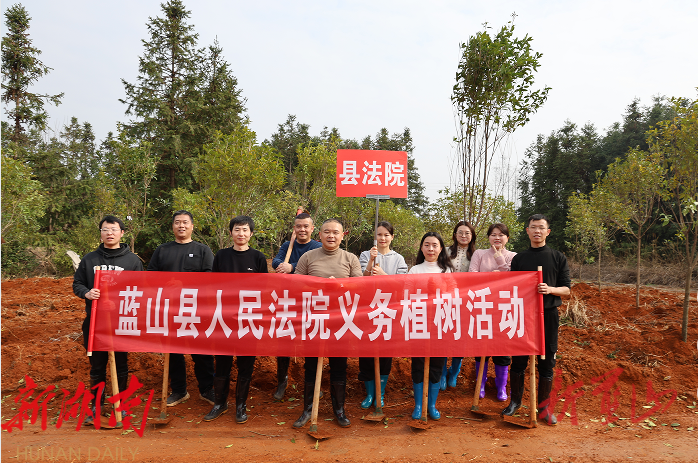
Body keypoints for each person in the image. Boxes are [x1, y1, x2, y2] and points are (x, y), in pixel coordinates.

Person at [73, 215, 143, 426]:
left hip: (121, 322)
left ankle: (120, 405)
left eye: (113, 229)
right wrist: (87, 293)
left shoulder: (133, 261)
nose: (109, 233)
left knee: (121, 365)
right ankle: (96, 406)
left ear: (122, 233)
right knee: (97, 366)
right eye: (105, 229)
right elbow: (77, 284)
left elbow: (141, 289)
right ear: (101, 233)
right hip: (95, 322)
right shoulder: (89, 260)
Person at [292, 219, 363, 429]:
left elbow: (359, 286)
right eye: (327, 232)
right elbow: (296, 284)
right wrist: (320, 287)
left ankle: (339, 410)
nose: (331, 236)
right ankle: (307, 409)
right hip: (314, 320)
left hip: (341, 321)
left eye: (335, 232)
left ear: (343, 235)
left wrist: (339, 285)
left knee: (339, 365)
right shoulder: (307, 257)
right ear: (319, 235)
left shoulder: (350, 258)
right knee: (311, 365)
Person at [502, 214, 570, 426]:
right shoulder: (519, 259)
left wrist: (550, 289)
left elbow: (567, 290)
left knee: (546, 362)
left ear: (547, 232)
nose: (537, 231)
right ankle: (515, 402)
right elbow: (512, 287)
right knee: (518, 360)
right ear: (527, 231)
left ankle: (544, 408)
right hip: (523, 315)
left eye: (541, 227)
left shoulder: (558, 257)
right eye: (533, 227)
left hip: (548, 316)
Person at [203, 216, 268, 424]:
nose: (241, 233)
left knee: (245, 365)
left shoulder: (258, 257)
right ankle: (220, 403)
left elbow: (264, 289)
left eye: (245, 230)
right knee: (222, 363)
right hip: (225, 319)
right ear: (230, 232)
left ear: (251, 233)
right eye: (237, 229)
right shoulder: (221, 256)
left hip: (249, 320)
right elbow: (213, 285)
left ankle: (241, 405)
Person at [148, 210, 215, 407]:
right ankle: (179, 391)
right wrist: (166, 285)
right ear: (173, 226)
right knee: (173, 352)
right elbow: (150, 276)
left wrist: (183, 284)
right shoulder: (162, 250)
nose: (181, 226)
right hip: (169, 310)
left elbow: (211, 278)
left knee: (201, 352)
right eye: (177, 222)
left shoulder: (203, 250)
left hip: (196, 310)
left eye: (185, 222)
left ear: (192, 226)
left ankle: (207, 389)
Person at [270, 212, 321, 400]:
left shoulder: (317, 246)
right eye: (298, 226)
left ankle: (313, 383)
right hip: (288, 299)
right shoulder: (287, 245)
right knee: (284, 341)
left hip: (310, 300)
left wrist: (292, 267)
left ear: (312, 228)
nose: (302, 229)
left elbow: (314, 264)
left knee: (311, 342)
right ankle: (282, 381)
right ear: (294, 229)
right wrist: (282, 265)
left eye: (306, 226)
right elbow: (276, 261)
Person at [357, 221, 407, 409]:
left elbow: (403, 284)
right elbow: (362, 278)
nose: (383, 238)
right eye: (379, 235)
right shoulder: (366, 254)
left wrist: (384, 275)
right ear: (375, 237)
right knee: (366, 351)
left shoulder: (399, 259)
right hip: (368, 309)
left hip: (389, 310)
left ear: (392, 237)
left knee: (385, 353)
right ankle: (370, 394)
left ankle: (381, 394)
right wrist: (371, 261)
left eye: (386, 235)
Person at [407, 232, 453, 420]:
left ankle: (431, 405)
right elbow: (407, 295)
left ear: (441, 248)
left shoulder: (447, 271)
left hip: (440, 323)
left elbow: (454, 296)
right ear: (421, 247)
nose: (431, 249)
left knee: (437, 363)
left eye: (435, 245)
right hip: (418, 322)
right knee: (418, 363)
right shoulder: (414, 270)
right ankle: (418, 405)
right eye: (427, 245)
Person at [468, 223, 516, 401]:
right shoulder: (479, 254)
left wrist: (500, 260)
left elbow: (511, 279)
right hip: (482, 306)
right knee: (481, 347)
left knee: (502, 348)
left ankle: (501, 386)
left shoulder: (513, 256)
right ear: (488, 237)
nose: (497, 238)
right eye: (493, 234)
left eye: (501, 235)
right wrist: (493, 276)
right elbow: (472, 276)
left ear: (507, 238)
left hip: (503, 308)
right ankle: (480, 383)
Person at [440, 221, 477, 390]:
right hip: (446, 300)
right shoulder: (445, 252)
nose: (463, 236)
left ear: (472, 236)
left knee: (461, 338)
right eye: (460, 232)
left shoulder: (477, 254)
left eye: (467, 233)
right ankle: (442, 372)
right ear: (455, 235)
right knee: (444, 335)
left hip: (467, 302)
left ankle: (454, 372)